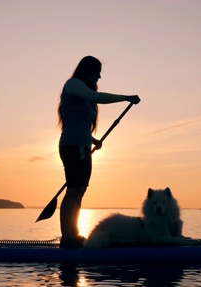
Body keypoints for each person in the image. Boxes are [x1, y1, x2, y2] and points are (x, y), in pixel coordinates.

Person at [57, 55, 140, 248]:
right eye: (98, 72)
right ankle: (67, 237)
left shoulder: (83, 92)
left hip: (82, 146)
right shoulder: (73, 84)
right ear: (88, 70)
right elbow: (96, 98)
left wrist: (92, 140)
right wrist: (125, 98)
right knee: (74, 190)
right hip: (72, 146)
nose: (100, 77)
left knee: (80, 191)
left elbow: (81, 123)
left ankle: (74, 234)